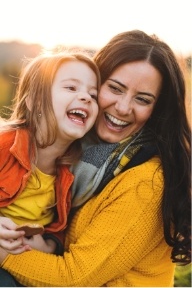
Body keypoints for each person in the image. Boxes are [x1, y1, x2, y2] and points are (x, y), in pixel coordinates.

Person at [0, 30, 191, 287]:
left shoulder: (145, 182)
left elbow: (74, 277)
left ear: (157, 110)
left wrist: (8, 253)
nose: (123, 108)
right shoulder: (75, 156)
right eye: (114, 88)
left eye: (143, 99)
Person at [0, 51, 100, 285]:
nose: (85, 97)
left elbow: (58, 227)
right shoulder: (6, 144)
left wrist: (45, 245)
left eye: (93, 94)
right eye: (71, 88)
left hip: (27, 260)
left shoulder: (73, 170)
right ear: (34, 100)